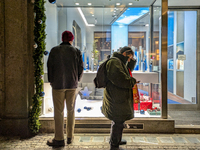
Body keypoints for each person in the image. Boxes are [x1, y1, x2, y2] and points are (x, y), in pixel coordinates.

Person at [47, 31, 83, 147]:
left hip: (57, 85)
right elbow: (80, 68)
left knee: (58, 111)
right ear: (71, 40)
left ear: (62, 39)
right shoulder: (76, 51)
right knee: (71, 110)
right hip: (72, 85)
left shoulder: (54, 50)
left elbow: (50, 67)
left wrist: (52, 81)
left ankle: (59, 139)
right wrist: (76, 80)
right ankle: (70, 137)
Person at [102, 46, 137, 150]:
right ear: (125, 54)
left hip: (118, 97)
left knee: (118, 121)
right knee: (118, 121)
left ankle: (116, 139)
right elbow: (121, 79)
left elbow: (127, 71)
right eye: (129, 57)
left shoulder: (119, 62)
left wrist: (131, 61)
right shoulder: (114, 62)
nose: (129, 60)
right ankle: (114, 145)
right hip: (116, 98)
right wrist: (132, 81)